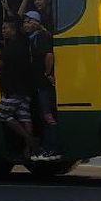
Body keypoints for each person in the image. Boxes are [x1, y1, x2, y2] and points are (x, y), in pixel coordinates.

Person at [0, 19, 35, 160]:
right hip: (26, 88)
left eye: (5, 28)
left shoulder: (11, 48)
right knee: (25, 116)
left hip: (13, 89)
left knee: (5, 114)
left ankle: (30, 139)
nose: (3, 31)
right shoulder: (24, 43)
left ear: (13, 30)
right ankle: (29, 149)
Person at [23, 11, 59, 161]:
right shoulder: (32, 38)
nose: (26, 24)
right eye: (25, 22)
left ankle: (54, 148)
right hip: (38, 84)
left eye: (29, 21)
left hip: (44, 84)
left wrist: (47, 73)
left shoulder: (41, 36)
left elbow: (49, 55)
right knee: (43, 116)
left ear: (37, 23)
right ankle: (47, 146)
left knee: (48, 116)